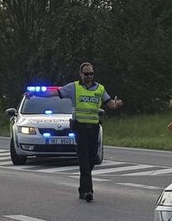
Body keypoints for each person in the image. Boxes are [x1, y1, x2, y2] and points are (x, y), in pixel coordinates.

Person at [53, 62, 123, 202]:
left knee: (91, 159)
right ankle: (88, 191)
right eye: (86, 74)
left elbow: (109, 103)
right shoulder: (74, 87)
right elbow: (55, 92)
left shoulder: (100, 89)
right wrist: (35, 93)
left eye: (91, 74)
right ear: (81, 74)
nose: (89, 76)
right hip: (80, 127)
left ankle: (82, 188)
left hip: (94, 128)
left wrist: (116, 105)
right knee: (84, 158)